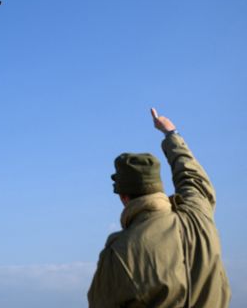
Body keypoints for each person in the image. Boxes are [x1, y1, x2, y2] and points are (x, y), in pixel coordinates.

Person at [87, 109, 231, 307]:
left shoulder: (119, 253)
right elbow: (192, 178)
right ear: (158, 187)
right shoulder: (199, 214)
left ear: (123, 197)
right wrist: (171, 133)